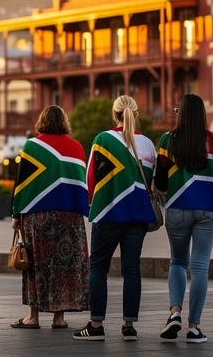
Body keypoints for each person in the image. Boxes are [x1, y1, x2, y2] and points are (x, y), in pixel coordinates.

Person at [72, 96, 157, 341]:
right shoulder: (148, 144)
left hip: (108, 212)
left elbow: (90, 179)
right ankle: (129, 325)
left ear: (114, 114)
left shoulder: (102, 139)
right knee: (132, 270)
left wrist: (91, 206)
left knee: (98, 267)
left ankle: (96, 325)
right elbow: (151, 182)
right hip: (138, 214)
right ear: (136, 114)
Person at [153, 93, 213, 344]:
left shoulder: (168, 139)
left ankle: (175, 312)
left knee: (178, 262)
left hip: (178, 209)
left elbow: (160, 181)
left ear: (180, 113)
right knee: (200, 267)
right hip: (209, 210)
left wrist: (170, 196)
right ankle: (194, 327)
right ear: (202, 114)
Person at [9, 105, 88, 332]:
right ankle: (59, 318)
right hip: (69, 215)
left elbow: (21, 183)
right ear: (64, 121)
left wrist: (16, 214)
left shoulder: (32, 145)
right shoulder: (76, 147)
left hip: (38, 214)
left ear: (42, 121)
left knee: (35, 263)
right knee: (63, 263)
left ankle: (33, 317)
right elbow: (81, 183)